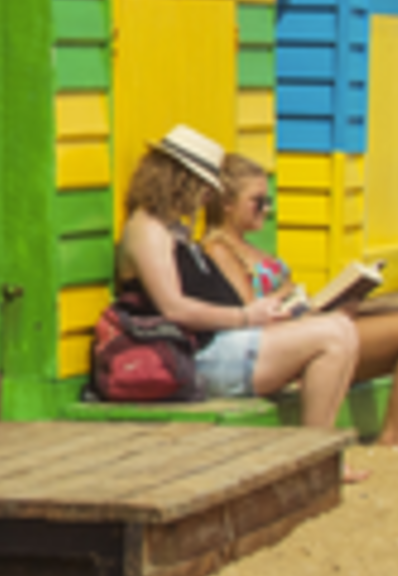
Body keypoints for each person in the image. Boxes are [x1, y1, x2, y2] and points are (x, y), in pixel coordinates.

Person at [202, 146, 398, 452]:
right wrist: (295, 301)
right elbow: (251, 319)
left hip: (309, 330)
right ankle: (393, 435)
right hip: (281, 348)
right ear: (226, 204)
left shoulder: (249, 248)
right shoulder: (220, 250)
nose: (266, 209)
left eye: (269, 201)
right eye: (258, 202)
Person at [115, 124, 355, 434]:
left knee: (342, 327)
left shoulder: (174, 228)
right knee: (331, 337)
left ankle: (322, 448)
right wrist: (245, 316)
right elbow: (173, 308)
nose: (206, 198)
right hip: (189, 358)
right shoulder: (148, 229)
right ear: (182, 180)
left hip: (217, 345)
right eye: (204, 187)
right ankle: (316, 448)